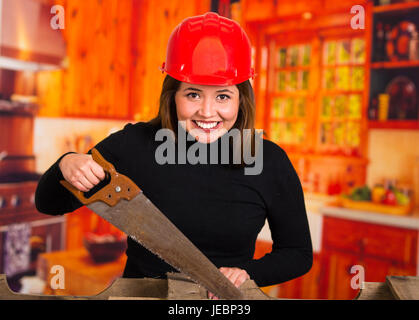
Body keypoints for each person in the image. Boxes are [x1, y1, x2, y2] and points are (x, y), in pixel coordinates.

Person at [35, 12, 312, 297]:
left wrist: (248, 273)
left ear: (241, 100)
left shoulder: (269, 161)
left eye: (223, 96)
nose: (207, 111)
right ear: (173, 95)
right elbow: (49, 204)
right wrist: (66, 163)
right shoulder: (135, 144)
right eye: (193, 94)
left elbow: (298, 253)